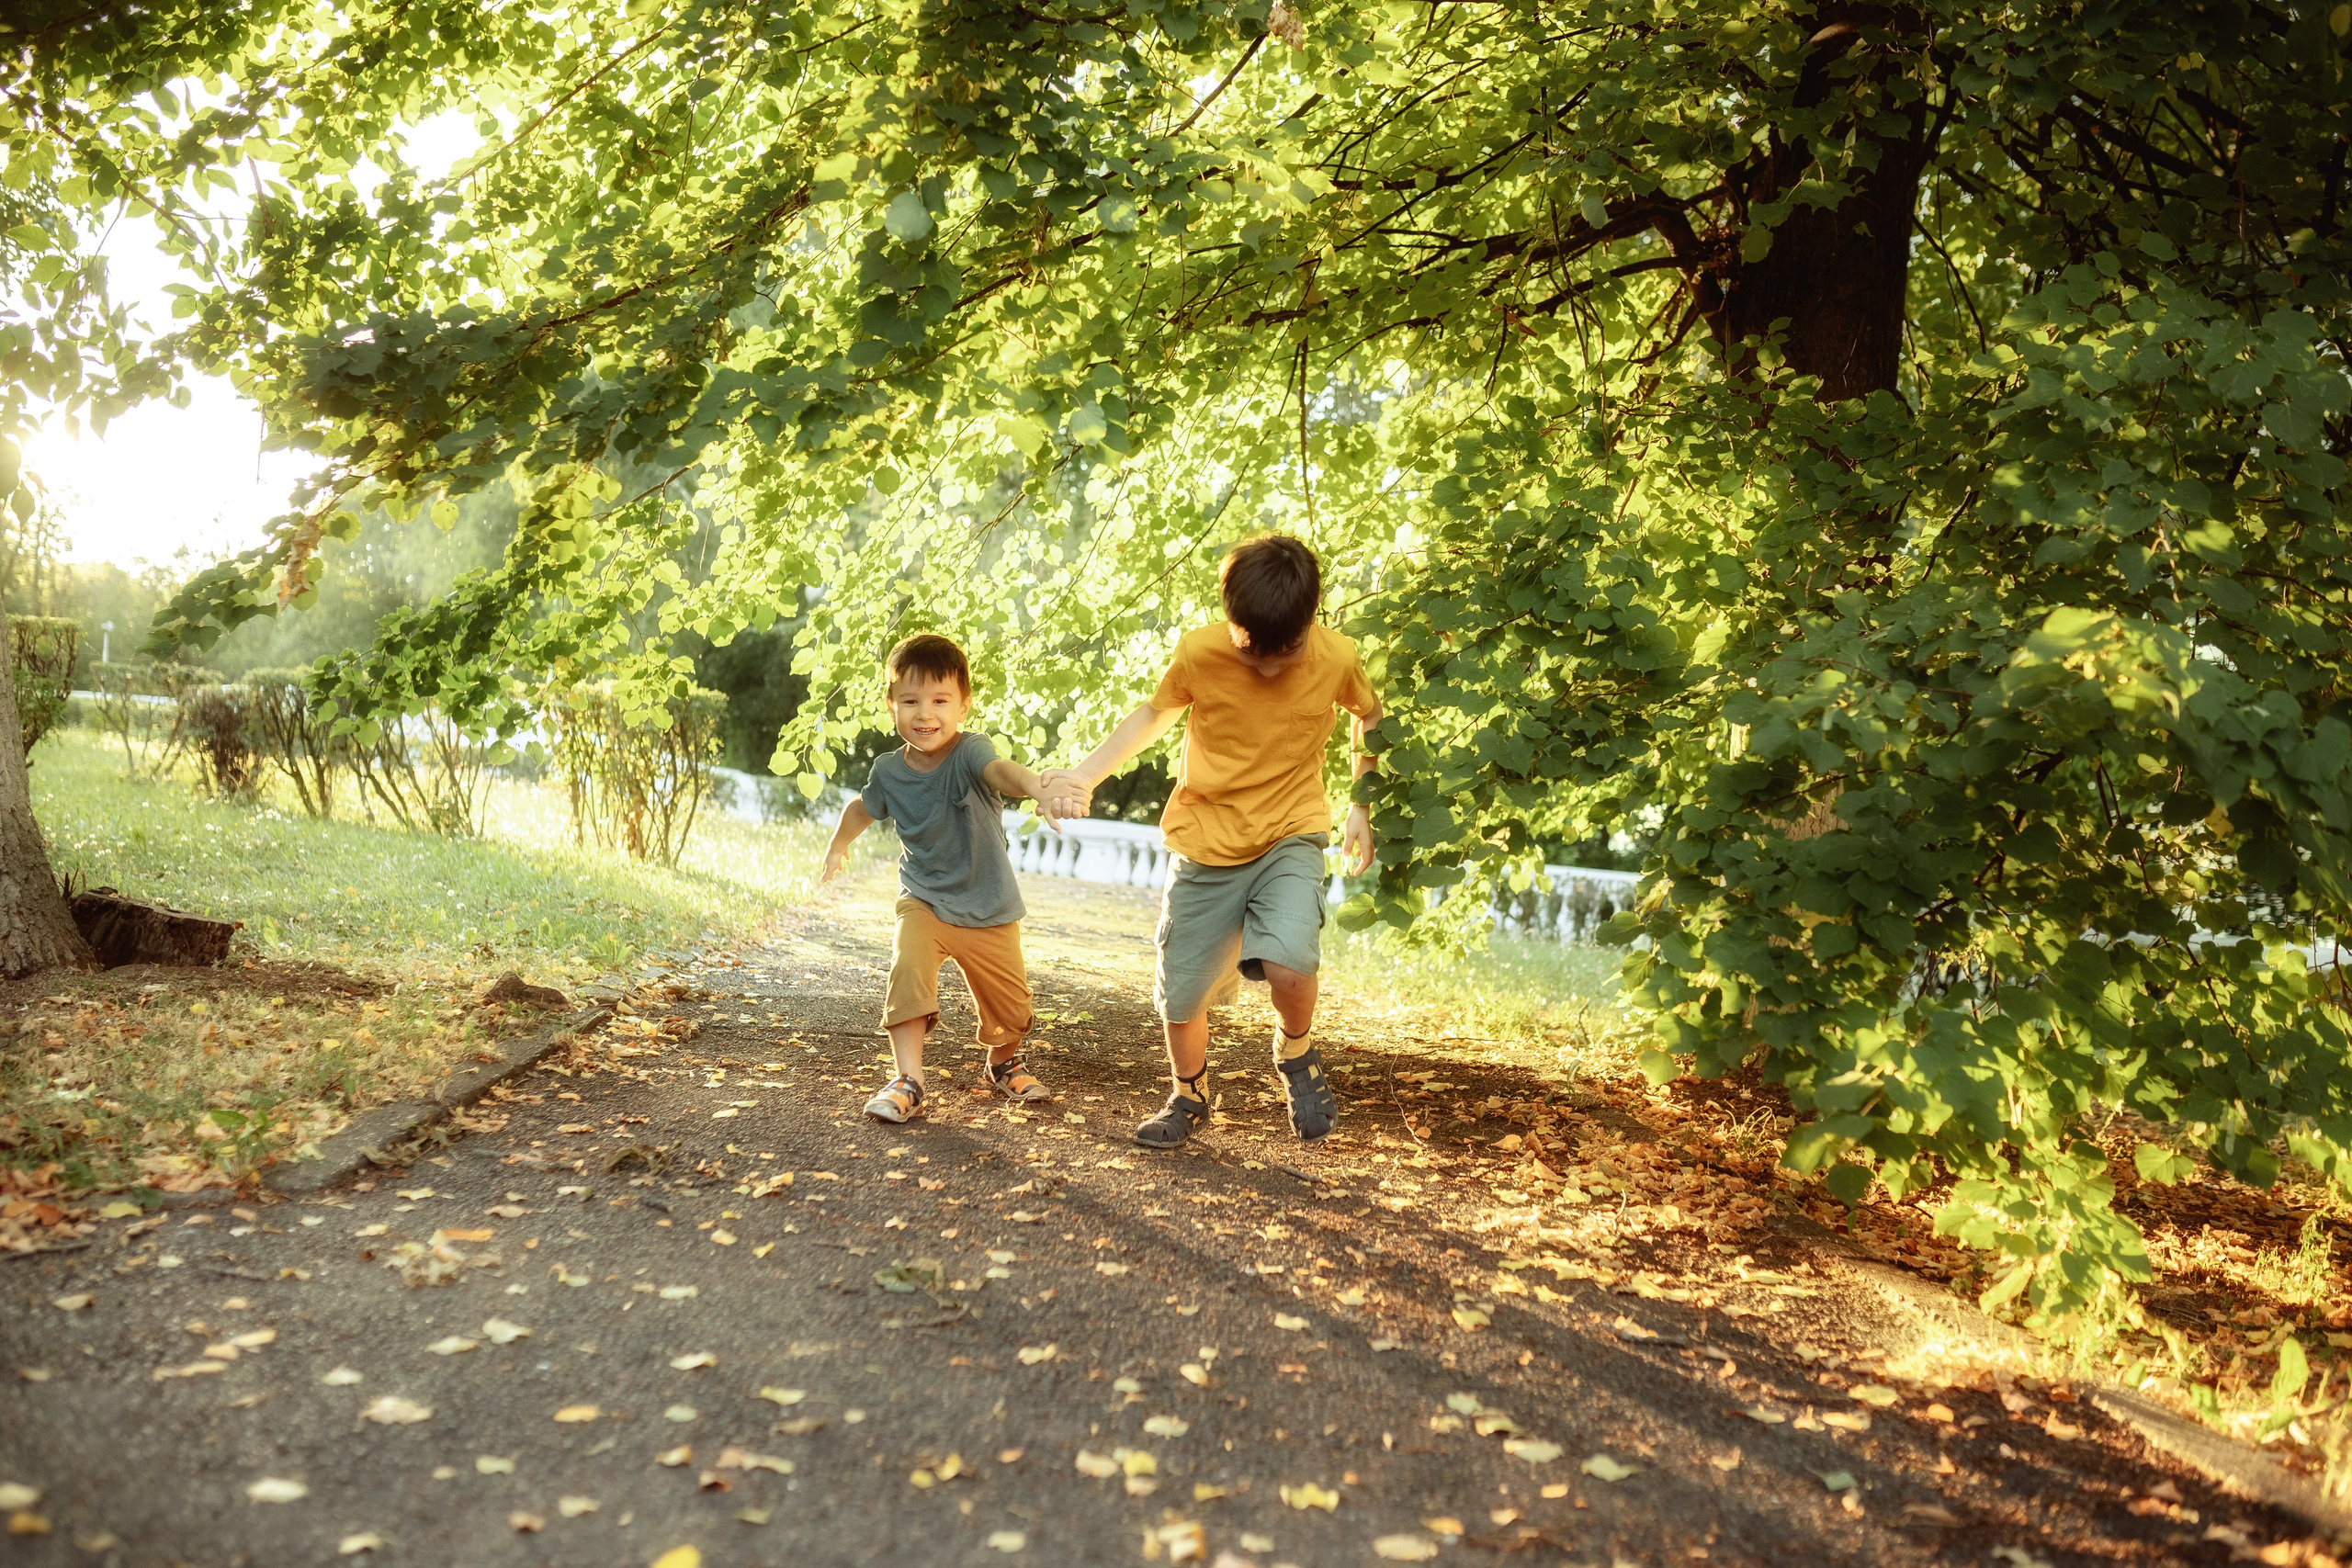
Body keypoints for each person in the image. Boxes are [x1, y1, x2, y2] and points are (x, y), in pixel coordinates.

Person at [1046, 534, 1381, 1149]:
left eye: (1288, 652)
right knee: (1181, 992)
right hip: (1206, 840)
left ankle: (1296, 1051)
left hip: (1290, 829)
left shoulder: (1337, 656)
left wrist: (1363, 802)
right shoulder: (1200, 652)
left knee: (1291, 960)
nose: (1272, 669)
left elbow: (1370, 713)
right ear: (1232, 622)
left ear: (1310, 621)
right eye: (1256, 654)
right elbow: (1153, 715)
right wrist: (1084, 773)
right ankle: (1190, 1093)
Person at [820, 632, 1084, 1123]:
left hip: (989, 904)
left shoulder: (970, 751)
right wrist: (839, 844)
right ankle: (908, 1080)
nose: (925, 714)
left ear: (964, 705)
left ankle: (1003, 1063)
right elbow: (862, 808)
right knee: (909, 967)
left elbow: (1002, 772)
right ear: (891, 705)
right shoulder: (888, 772)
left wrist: (1036, 786)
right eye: (910, 701)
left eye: (940, 700)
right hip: (925, 899)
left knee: (1012, 1006)